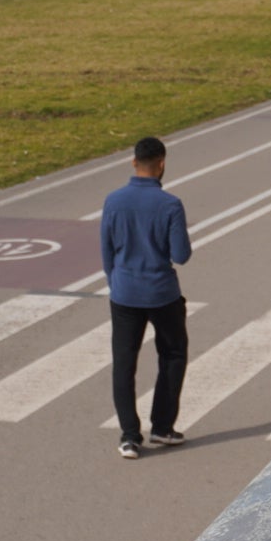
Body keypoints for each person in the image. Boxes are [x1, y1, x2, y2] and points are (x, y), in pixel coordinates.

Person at [101, 136, 192, 459]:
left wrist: (117, 282)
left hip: (124, 293)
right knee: (173, 354)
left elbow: (107, 251)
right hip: (161, 293)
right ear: (162, 164)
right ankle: (162, 426)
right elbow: (181, 255)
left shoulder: (113, 201)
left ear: (133, 162)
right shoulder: (170, 205)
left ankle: (128, 436)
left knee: (124, 364)